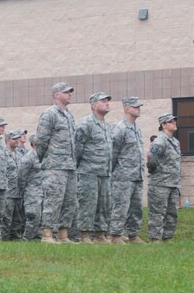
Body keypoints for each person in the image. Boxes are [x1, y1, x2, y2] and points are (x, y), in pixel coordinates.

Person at [34, 82, 78, 244]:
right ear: (56, 95)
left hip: (69, 165)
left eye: (70, 92)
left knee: (69, 201)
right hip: (54, 165)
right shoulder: (50, 114)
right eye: (66, 92)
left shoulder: (69, 115)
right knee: (53, 199)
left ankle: (63, 235)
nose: (69, 94)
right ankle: (47, 234)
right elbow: (41, 140)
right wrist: (44, 159)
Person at [74, 92, 113, 243]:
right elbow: (77, 148)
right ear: (94, 105)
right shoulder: (86, 124)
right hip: (88, 171)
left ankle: (100, 234)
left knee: (104, 204)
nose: (107, 103)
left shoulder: (107, 126)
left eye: (107, 101)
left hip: (104, 172)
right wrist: (81, 167)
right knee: (88, 203)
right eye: (103, 101)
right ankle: (84, 235)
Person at [109, 97, 146, 244]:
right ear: (126, 109)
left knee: (136, 207)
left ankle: (133, 234)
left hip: (137, 175)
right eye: (135, 107)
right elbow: (113, 153)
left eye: (139, 106)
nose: (138, 109)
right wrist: (114, 172)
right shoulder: (120, 128)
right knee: (120, 206)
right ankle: (116, 235)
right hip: (123, 176)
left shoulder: (137, 129)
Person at [146, 113, 181, 243]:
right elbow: (151, 161)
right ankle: (155, 238)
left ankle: (167, 237)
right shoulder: (159, 141)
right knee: (157, 212)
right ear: (163, 125)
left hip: (173, 183)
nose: (174, 123)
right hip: (160, 183)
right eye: (171, 121)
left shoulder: (175, 142)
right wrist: (156, 173)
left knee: (172, 213)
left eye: (174, 121)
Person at [18, 134, 44, 241]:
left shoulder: (43, 156)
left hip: (43, 191)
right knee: (33, 216)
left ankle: (37, 238)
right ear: (33, 143)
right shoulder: (28, 157)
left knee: (42, 217)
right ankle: (27, 239)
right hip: (32, 191)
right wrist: (23, 190)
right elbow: (21, 176)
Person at [1, 130, 23, 240]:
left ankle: (16, 239)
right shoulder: (2, 153)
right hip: (7, 192)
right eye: (14, 139)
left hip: (18, 192)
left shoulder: (20, 154)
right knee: (6, 218)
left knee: (18, 219)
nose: (17, 141)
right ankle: (4, 239)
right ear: (7, 140)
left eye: (17, 138)